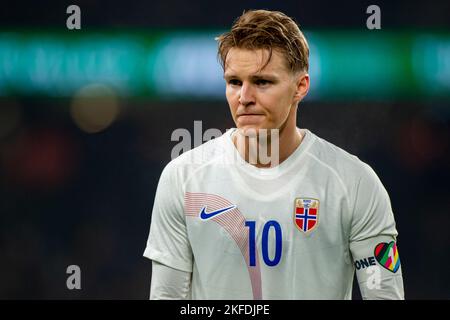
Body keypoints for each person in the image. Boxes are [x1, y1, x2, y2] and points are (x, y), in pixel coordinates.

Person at [143, 9, 404, 299]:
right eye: (234, 82)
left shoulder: (355, 183)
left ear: (300, 87)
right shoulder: (182, 178)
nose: (244, 98)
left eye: (262, 82)